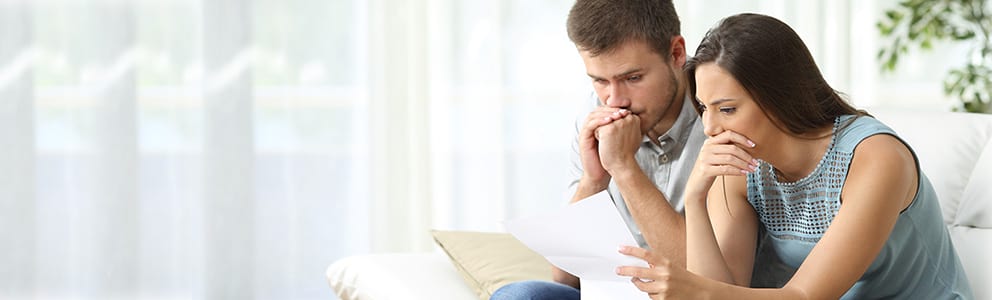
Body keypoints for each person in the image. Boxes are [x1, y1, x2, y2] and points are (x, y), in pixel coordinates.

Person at [615, 13, 974, 299]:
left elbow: (804, 296)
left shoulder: (876, 158)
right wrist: (695, 199)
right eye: (703, 108)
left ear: (778, 96)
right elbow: (725, 287)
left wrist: (693, 289)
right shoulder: (741, 164)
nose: (709, 128)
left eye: (726, 109)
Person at [490, 0, 707, 299]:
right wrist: (593, 181)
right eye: (599, 81)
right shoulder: (594, 115)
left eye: (633, 78)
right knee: (520, 294)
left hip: (687, 294)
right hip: (613, 293)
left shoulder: (721, 112)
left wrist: (623, 167)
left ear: (677, 53)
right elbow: (564, 278)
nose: (615, 100)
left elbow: (701, 278)